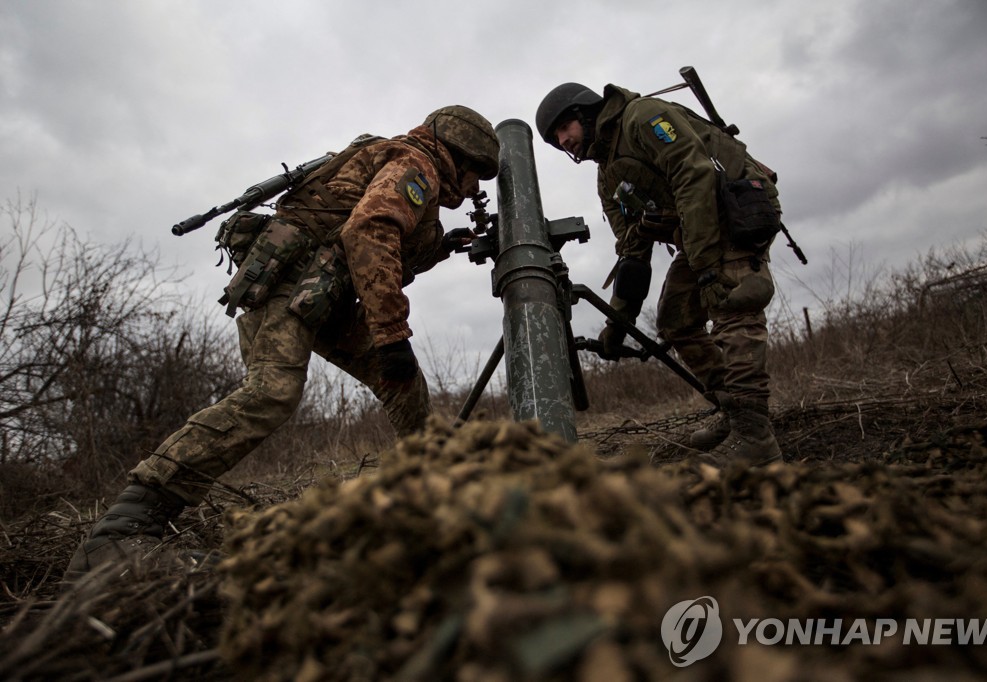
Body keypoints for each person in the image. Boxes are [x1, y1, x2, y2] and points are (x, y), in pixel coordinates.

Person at [66, 105, 499, 578]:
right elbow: (369, 231)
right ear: (459, 152)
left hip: (322, 294)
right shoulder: (416, 165)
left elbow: (374, 240)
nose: (476, 187)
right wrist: (392, 334)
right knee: (271, 393)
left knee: (405, 388)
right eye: (477, 173)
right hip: (290, 282)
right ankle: (120, 530)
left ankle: (430, 501)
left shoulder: (413, 176)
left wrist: (439, 246)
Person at [535, 81, 783, 465]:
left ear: (585, 112)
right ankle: (737, 416)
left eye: (565, 127)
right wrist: (616, 326)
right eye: (556, 138)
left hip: (734, 215)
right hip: (699, 236)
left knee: (732, 303)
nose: (564, 140)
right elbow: (632, 251)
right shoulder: (608, 177)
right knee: (676, 320)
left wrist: (704, 266)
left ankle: (757, 439)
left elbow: (694, 173)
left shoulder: (643, 117)